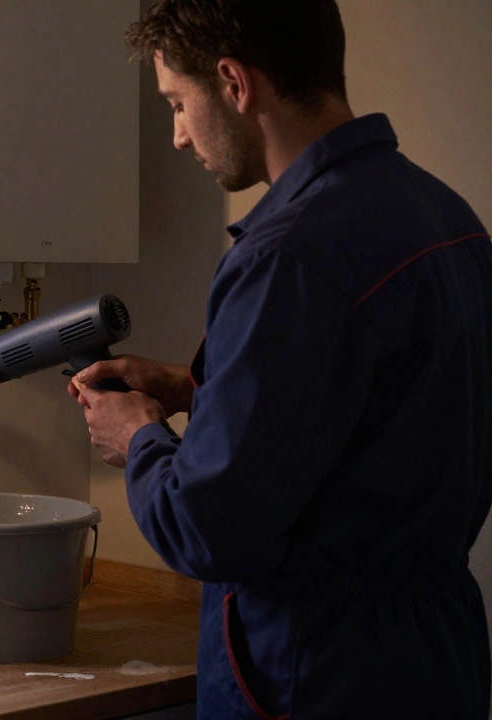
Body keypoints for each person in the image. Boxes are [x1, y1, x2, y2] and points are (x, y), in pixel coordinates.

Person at [70, 1, 492, 717]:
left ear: (234, 83)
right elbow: (376, 415)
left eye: (178, 104)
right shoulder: (447, 218)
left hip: (316, 671)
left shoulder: (286, 257)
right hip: (438, 661)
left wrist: (137, 437)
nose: (178, 135)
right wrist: (196, 391)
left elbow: (206, 528)